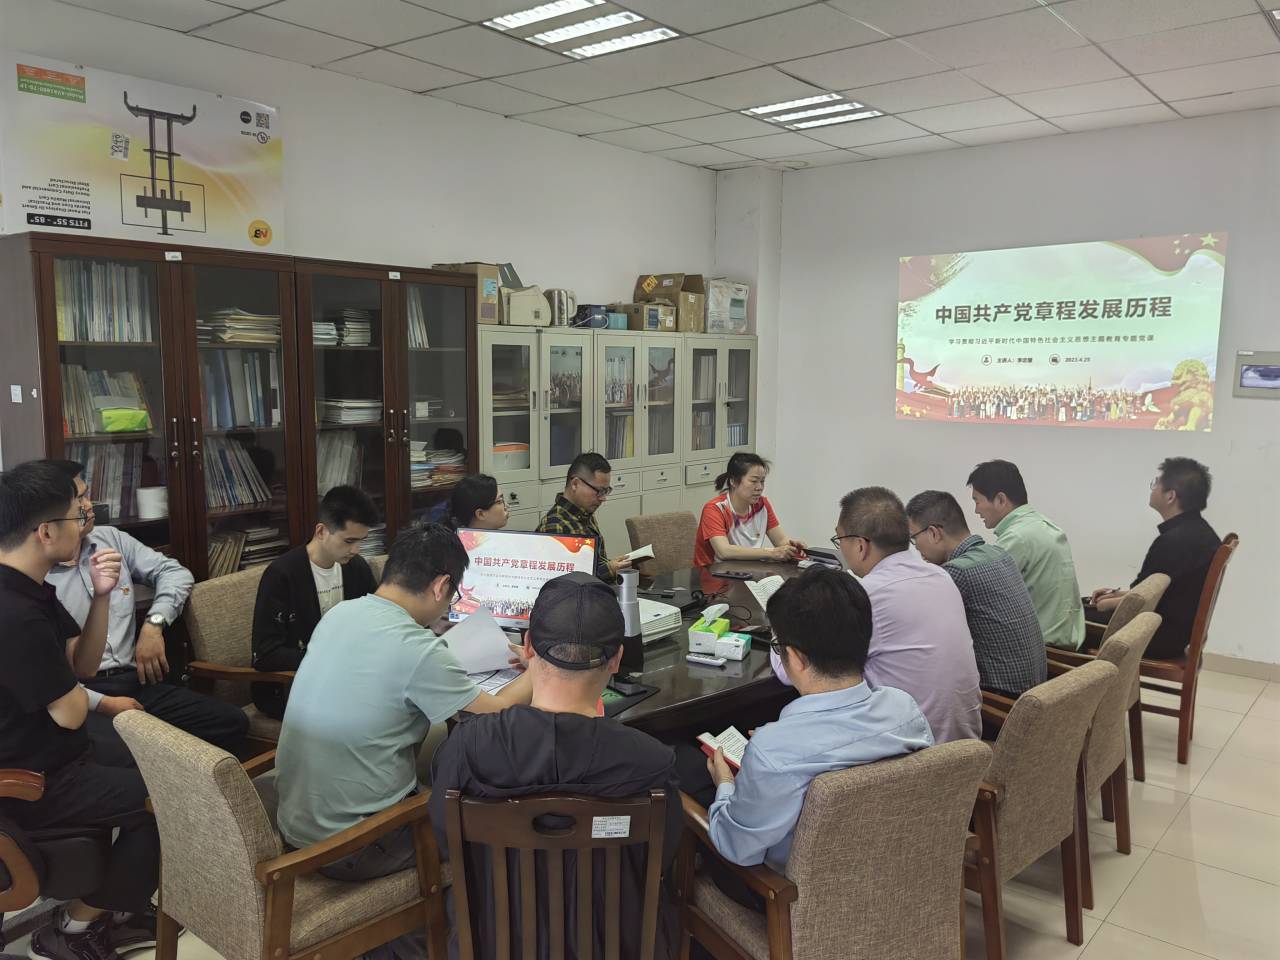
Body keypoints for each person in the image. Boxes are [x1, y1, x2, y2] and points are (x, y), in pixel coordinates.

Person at [275, 523, 533, 911]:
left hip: (298, 822)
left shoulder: (341, 613)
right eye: (453, 595)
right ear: (440, 586)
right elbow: (499, 711)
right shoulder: (417, 650)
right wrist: (540, 668)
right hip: (354, 844)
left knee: (439, 748)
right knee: (496, 823)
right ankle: (469, 922)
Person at [429, 572, 682, 957]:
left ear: (528, 646)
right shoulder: (652, 762)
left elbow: (448, 841)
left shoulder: (467, 747)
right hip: (616, 945)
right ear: (616, 658)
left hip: (493, 942)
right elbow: (660, 860)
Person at [0, 461, 162, 960]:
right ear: (46, 532)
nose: (86, 521)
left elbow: (83, 665)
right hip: (33, 778)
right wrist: (75, 691)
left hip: (57, 754)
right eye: (77, 514)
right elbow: (69, 713)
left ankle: (116, 905)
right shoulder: (14, 613)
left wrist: (102, 597)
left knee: (150, 761)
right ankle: (75, 927)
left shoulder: (31, 588)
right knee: (168, 796)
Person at [695, 567, 932, 905]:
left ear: (795, 657)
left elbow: (737, 848)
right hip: (889, 882)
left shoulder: (773, 752)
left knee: (688, 779)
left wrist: (724, 784)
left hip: (790, 901)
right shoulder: (904, 709)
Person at [44, 460, 247, 763]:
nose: (89, 505)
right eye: (81, 499)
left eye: (87, 495)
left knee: (231, 722)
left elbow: (175, 573)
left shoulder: (110, 539)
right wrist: (105, 703)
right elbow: (50, 677)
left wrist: (154, 625)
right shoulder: (38, 577)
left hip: (135, 680)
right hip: (83, 695)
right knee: (133, 756)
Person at [825, 487, 981, 742]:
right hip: (964, 751)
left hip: (912, 757)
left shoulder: (869, 595)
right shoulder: (941, 577)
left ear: (861, 546)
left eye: (839, 539)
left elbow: (815, 669)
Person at [250, 485, 380, 720]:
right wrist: (333, 660)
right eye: (349, 541)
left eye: (361, 541)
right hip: (293, 686)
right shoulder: (282, 575)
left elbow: (377, 620)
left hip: (347, 678)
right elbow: (266, 654)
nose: (356, 550)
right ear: (321, 531)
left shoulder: (356, 568)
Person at [905, 490, 1047, 698]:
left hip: (1002, 700)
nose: (916, 547)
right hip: (1039, 690)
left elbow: (924, 640)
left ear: (934, 533)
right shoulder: (998, 553)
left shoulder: (955, 572)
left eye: (914, 538)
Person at [1087, 458, 1220, 660]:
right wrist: (1115, 594)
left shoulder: (1173, 542)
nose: (1153, 488)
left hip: (1155, 636)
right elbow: (1156, 592)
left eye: (1156, 483)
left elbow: (1139, 603)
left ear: (1170, 496)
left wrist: (1105, 605)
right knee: (1082, 611)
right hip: (1173, 632)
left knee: (1067, 624)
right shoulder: (1202, 533)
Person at [968, 459, 1086, 651]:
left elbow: (979, 594)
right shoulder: (1042, 525)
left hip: (1046, 652)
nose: (976, 510)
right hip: (1068, 642)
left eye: (977, 501)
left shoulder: (1017, 537)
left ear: (1000, 500)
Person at [694, 453, 806, 566]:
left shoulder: (762, 505)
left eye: (762, 481)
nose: (759, 487)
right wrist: (771, 553)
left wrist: (792, 548)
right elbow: (724, 551)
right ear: (733, 481)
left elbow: (780, 541)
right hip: (714, 572)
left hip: (751, 570)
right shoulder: (715, 509)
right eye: (754, 481)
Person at [536, 452, 630, 581]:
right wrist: (609, 569)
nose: (603, 498)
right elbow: (567, 583)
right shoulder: (556, 526)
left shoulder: (584, 513)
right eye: (599, 491)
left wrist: (612, 565)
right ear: (575, 484)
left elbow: (592, 564)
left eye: (606, 491)